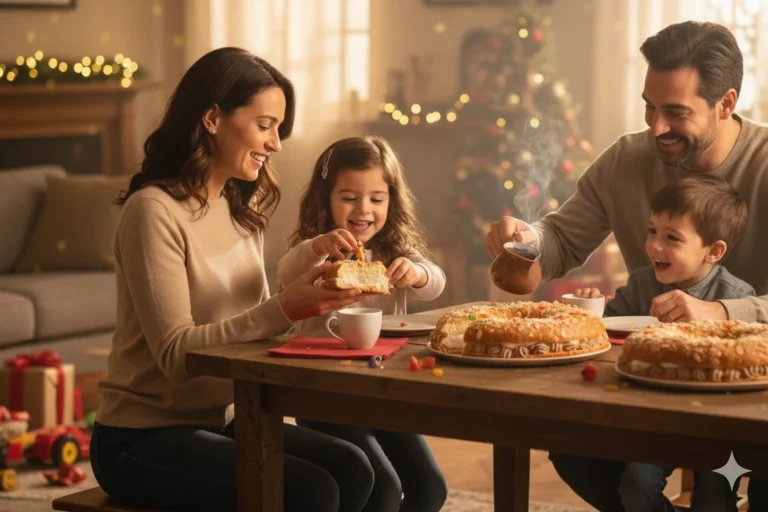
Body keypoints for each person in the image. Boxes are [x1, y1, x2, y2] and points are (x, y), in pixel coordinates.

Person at [484, 20, 768, 509]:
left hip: (757, 386)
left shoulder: (762, 164)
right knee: (574, 449)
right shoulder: (626, 160)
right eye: (649, 107)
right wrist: (525, 244)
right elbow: (558, 241)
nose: (656, 127)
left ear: (726, 103)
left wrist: (720, 314)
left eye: (676, 112)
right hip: (650, 381)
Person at [90, 47, 377, 512]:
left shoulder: (241, 211)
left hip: (222, 419)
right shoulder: (153, 212)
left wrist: (312, 295)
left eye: (279, 130)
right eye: (265, 126)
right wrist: (285, 306)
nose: (276, 143)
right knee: (312, 491)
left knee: (358, 470)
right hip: (139, 438)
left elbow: (260, 332)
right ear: (212, 118)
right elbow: (177, 356)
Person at [554, 174, 753, 511]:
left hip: (717, 427)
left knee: (716, 496)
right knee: (634, 484)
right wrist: (589, 310)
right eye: (652, 231)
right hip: (652, 421)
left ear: (714, 251)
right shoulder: (643, 283)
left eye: (672, 237)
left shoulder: (734, 299)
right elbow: (604, 331)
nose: (655, 246)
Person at [276, 135, 448, 511]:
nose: (363, 210)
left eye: (376, 198)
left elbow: (436, 282)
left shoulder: (394, 250)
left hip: (385, 393)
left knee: (431, 486)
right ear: (326, 198)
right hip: (326, 393)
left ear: (392, 200)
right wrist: (319, 247)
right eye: (349, 198)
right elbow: (286, 272)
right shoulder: (314, 251)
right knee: (382, 488)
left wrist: (417, 273)